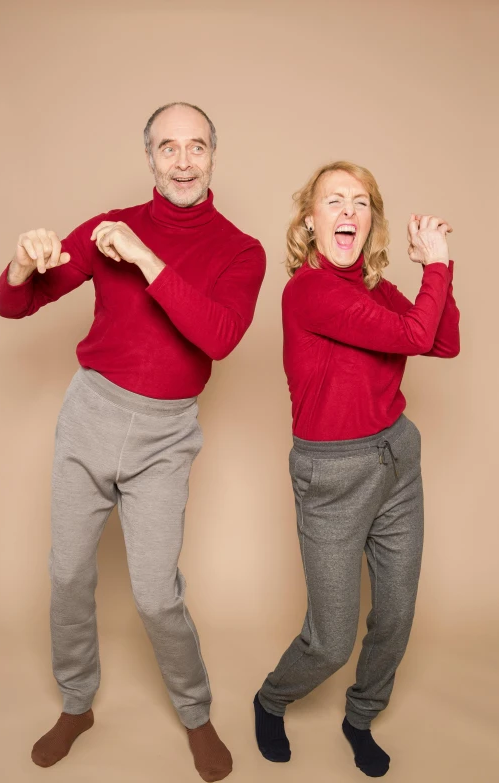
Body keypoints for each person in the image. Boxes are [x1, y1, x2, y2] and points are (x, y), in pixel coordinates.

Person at [0, 101, 266, 782]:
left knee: (153, 592)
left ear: (212, 156)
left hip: (166, 436)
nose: (182, 160)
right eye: (167, 147)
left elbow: (219, 336)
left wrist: (146, 259)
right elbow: (16, 302)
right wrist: (24, 264)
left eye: (195, 146)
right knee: (66, 572)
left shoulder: (241, 250)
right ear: (150, 157)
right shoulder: (108, 228)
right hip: (90, 414)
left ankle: (196, 712)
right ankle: (77, 701)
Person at [253, 161, 459, 777]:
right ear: (310, 221)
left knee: (396, 614)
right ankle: (271, 699)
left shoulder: (377, 288)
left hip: (397, 459)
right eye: (334, 200)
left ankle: (361, 716)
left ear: (371, 222)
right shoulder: (309, 291)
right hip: (333, 477)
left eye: (361, 201)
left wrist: (434, 269)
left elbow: (441, 340)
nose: (348, 210)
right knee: (332, 637)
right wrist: (440, 268)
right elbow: (420, 335)